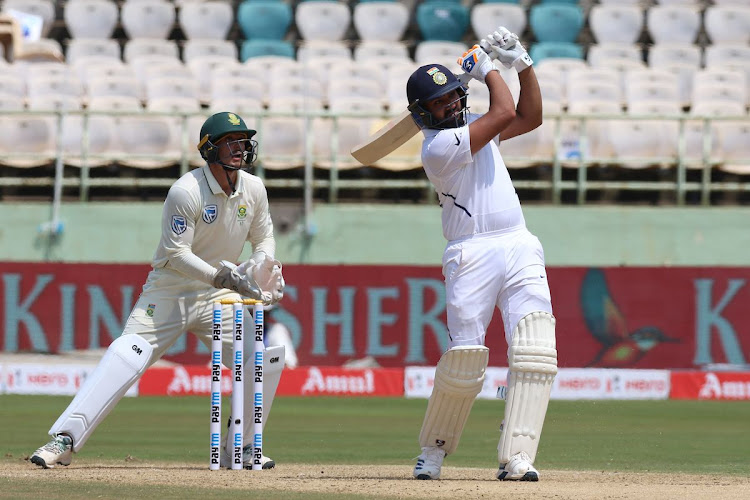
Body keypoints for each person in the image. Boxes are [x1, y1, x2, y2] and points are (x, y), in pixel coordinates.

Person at [30, 111, 286, 470]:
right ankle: (64, 439)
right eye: (230, 141)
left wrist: (261, 267)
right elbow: (176, 254)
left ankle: (239, 448)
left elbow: (265, 238)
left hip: (218, 296)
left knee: (263, 360)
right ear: (209, 149)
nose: (239, 148)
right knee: (127, 353)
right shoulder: (186, 192)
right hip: (170, 292)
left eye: (242, 141)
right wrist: (223, 278)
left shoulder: (254, 189)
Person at [407, 28, 558, 481]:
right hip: (471, 253)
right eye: (440, 102)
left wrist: (523, 63)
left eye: (455, 94)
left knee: (535, 350)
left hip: (518, 241)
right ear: (423, 114)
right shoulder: (438, 149)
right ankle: (432, 452)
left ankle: (517, 457)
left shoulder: (477, 132)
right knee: (466, 357)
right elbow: (505, 109)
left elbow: (529, 115)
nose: (452, 104)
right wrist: (487, 68)